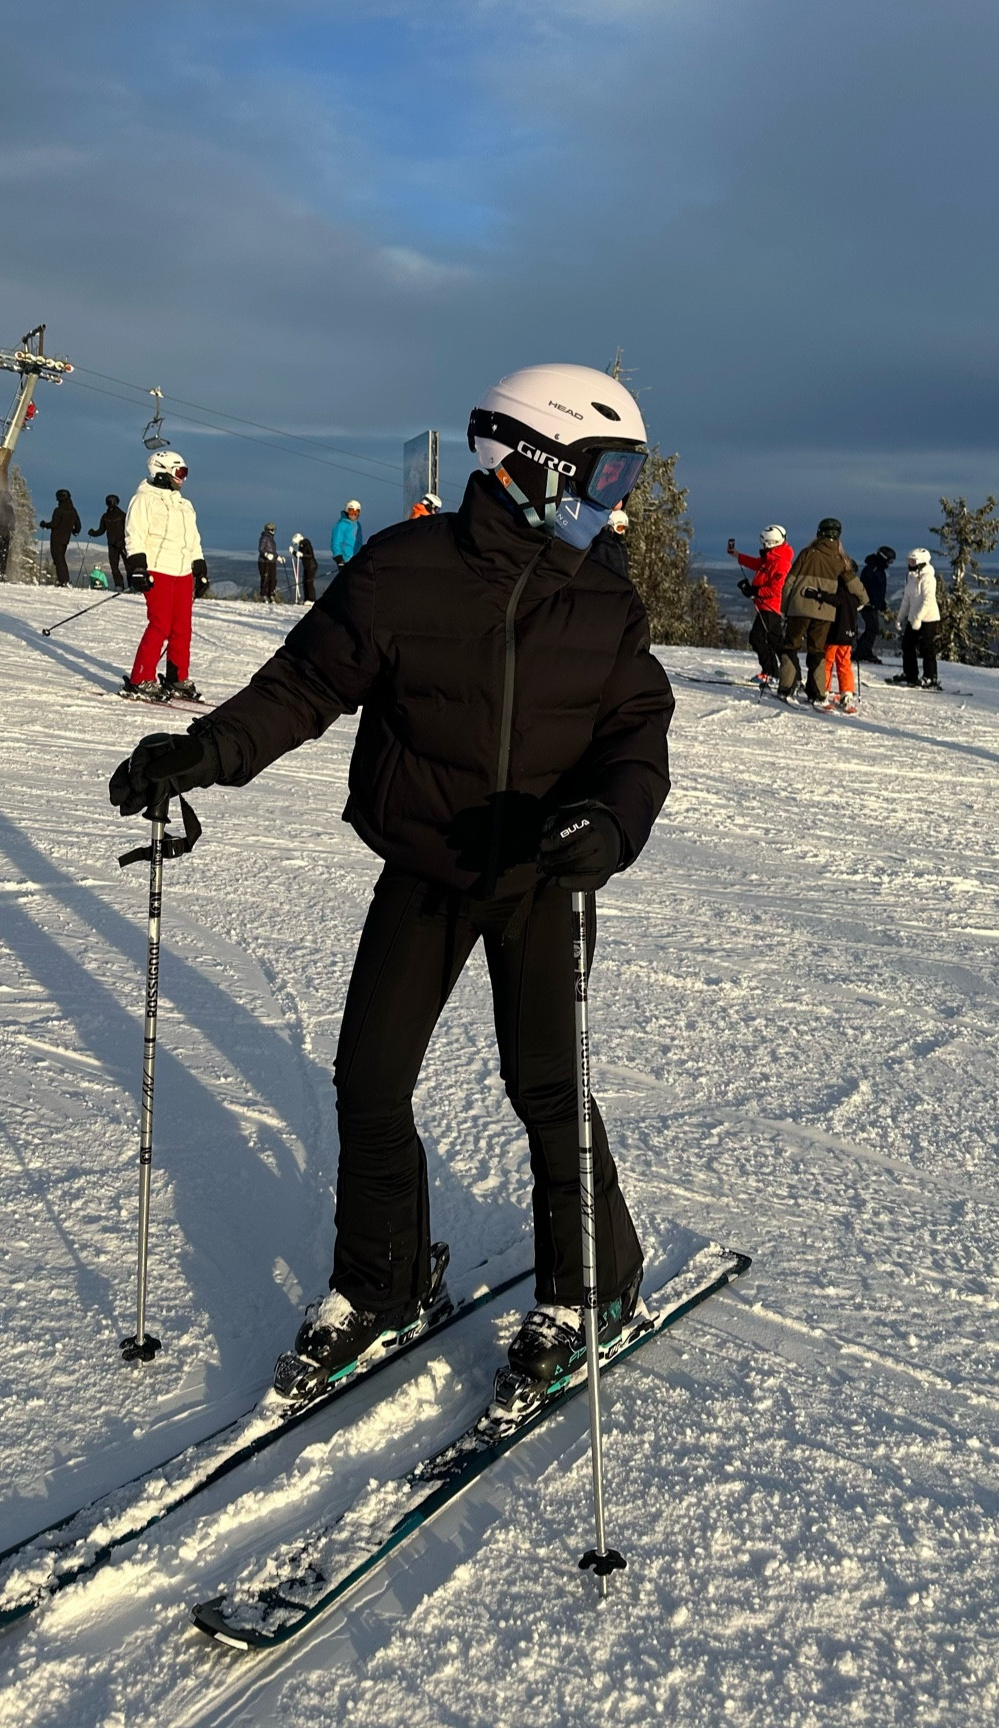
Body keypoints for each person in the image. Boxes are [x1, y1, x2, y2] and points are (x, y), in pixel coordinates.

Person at [109, 361, 672, 1393]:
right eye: (603, 475)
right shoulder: (404, 570)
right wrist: (202, 752)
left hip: (544, 876)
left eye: (625, 476)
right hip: (425, 864)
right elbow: (305, 685)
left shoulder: (602, 595)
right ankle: (384, 1281)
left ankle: (594, 1281)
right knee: (369, 1081)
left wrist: (612, 820)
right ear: (532, 464)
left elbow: (636, 731)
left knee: (545, 1086)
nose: (617, 501)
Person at [122, 449, 208, 701]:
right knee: (160, 624)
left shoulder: (184, 505)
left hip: (182, 572)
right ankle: (140, 678)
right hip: (157, 569)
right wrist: (138, 567)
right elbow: (134, 534)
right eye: (179, 472)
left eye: (185, 473)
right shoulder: (143, 499)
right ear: (162, 471)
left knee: (182, 627)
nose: (183, 478)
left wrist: (199, 569)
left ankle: (176, 677)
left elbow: (193, 540)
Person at [777, 518, 865, 703]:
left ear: (819, 533)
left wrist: (785, 607)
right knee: (817, 651)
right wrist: (864, 600)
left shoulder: (807, 553)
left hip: (799, 608)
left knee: (790, 646)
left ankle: (787, 687)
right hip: (825, 613)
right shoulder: (841, 560)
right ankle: (817, 692)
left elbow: (789, 582)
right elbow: (854, 585)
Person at [727, 525, 792, 684]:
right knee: (774, 642)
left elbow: (775, 590)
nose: (762, 546)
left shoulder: (780, 562)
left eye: (764, 543)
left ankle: (771, 673)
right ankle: (783, 674)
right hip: (765, 607)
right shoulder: (771, 557)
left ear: (771, 542)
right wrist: (737, 555)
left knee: (757, 638)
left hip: (769, 608)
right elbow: (757, 564)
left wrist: (755, 591)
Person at [888, 548, 941, 689]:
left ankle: (930, 677)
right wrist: (900, 617)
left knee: (926, 648)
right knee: (907, 645)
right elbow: (907, 599)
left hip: (928, 619)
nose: (910, 564)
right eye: (909, 561)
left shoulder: (928, 578)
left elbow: (928, 600)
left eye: (913, 561)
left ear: (921, 562)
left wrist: (919, 618)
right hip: (913, 618)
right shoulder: (911, 577)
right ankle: (910, 674)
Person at [818, 560, 864, 713]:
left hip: (833, 633)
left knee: (827, 663)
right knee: (844, 664)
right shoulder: (855, 595)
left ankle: (823, 691)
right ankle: (847, 693)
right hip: (848, 634)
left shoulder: (837, 592)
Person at [856, 546, 895, 663]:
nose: (889, 564)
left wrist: (881, 604)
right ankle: (862, 652)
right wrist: (868, 602)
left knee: (872, 628)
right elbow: (866, 588)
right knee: (872, 628)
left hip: (873, 604)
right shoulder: (871, 570)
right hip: (867, 605)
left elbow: (879, 590)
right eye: (889, 561)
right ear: (883, 558)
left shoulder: (879, 570)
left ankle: (863, 651)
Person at [40, 490, 81, 587]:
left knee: (58, 560)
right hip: (65, 539)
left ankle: (63, 581)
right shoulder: (73, 510)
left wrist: (45, 524)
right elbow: (78, 526)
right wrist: (74, 531)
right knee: (61, 559)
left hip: (56, 538)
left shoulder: (58, 510)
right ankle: (63, 580)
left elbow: (54, 524)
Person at [89, 496, 129, 591]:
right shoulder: (107, 516)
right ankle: (120, 585)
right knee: (115, 566)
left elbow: (128, 530)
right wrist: (93, 533)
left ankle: (128, 584)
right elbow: (101, 530)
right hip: (113, 545)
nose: (110, 504)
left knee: (127, 566)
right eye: (108, 502)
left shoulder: (121, 516)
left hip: (122, 544)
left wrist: (123, 541)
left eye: (110, 502)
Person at [331, 500, 363, 567]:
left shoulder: (358, 525)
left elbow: (359, 542)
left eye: (356, 512)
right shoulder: (341, 525)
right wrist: (339, 558)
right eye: (351, 511)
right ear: (346, 511)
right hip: (346, 560)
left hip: (357, 559)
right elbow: (335, 542)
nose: (354, 514)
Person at [291, 532, 318, 603]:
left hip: (311, 566)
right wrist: (293, 552)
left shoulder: (306, 543)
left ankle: (311, 599)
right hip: (306, 566)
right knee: (305, 582)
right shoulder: (301, 545)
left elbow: (310, 555)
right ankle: (306, 599)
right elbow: (299, 556)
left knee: (309, 582)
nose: (297, 545)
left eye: (296, 543)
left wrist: (302, 554)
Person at [258, 523, 279, 603]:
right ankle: (264, 595)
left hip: (271, 561)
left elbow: (272, 552)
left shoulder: (271, 539)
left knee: (273, 578)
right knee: (265, 578)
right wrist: (266, 554)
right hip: (264, 561)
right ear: (271, 530)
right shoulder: (264, 538)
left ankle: (271, 594)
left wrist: (277, 557)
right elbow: (261, 549)